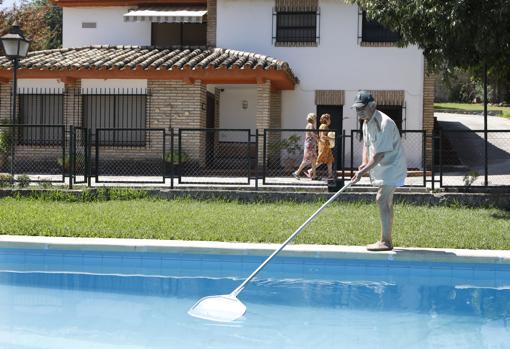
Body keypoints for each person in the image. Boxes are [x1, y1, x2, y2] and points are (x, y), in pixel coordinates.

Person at [351, 90, 407, 251]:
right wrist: (363, 163)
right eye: (356, 108)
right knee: (386, 202)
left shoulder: (385, 123)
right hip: (382, 166)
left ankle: (386, 241)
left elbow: (380, 154)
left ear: (373, 105)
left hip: (393, 166)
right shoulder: (366, 122)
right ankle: (387, 239)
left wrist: (362, 172)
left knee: (381, 199)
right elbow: (367, 145)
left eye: (362, 108)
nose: (359, 111)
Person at [292, 113, 318, 180]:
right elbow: (313, 135)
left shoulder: (309, 125)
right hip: (310, 145)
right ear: (313, 118)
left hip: (310, 144)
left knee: (313, 160)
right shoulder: (311, 125)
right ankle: (297, 172)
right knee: (306, 160)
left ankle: (314, 176)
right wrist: (318, 139)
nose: (316, 119)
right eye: (315, 117)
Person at [313, 113, 335, 180]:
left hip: (325, 145)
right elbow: (323, 136)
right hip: (324, 145)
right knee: (321, 160)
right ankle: (311, 170)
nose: (330, 121)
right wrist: (332, 138)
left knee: (329, 160)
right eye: (329, 119)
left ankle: (330, 175)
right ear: (327, 120)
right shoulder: (324, 126)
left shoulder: (322, 126)